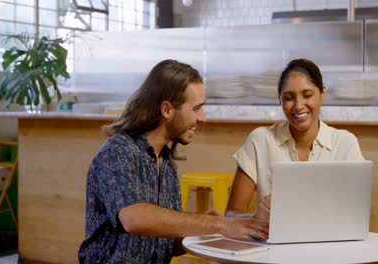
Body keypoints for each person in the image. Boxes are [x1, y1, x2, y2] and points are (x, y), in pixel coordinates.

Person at [78, 59, 268, 264]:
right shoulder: (118, 152)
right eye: (196, 108)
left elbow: (169, 246)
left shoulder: (167, 163)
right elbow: (134, 219)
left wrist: (209, 231)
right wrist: (217, 224)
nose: (203, 118)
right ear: (167, 109)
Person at [225, 58, 364, 223]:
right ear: (280, 100)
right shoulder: (260, 140)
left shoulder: (345, 143)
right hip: (273, 246)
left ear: (322, 94)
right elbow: (232, 214)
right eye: (289, 97)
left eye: (307, 95)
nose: (298, 106)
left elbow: (356, 214)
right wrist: (257, 217)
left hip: (330, 245)